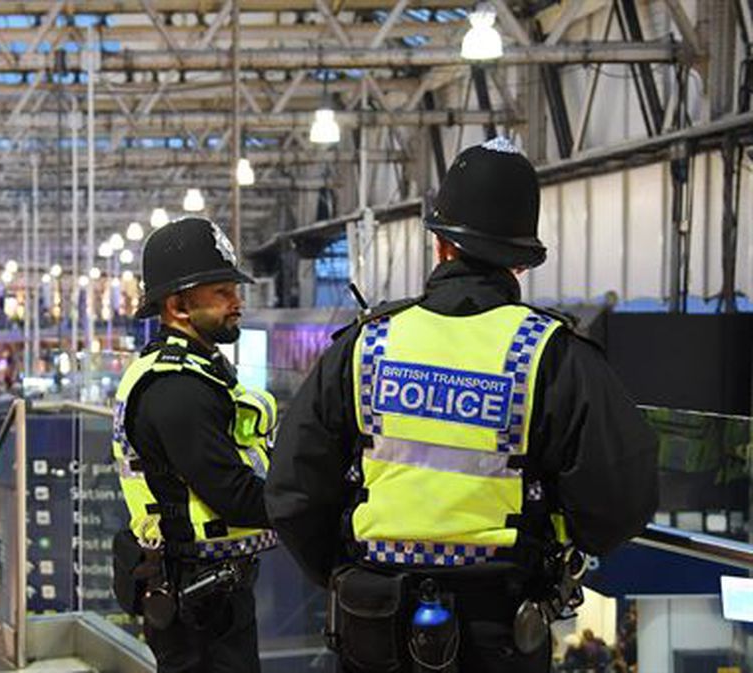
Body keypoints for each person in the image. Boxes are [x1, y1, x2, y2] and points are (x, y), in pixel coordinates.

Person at [265, 138, 660, 673]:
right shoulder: (552, 356)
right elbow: (622, 499)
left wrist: (346, 572)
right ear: (520, 263)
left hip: (373, 622)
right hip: (502, 626)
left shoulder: (365, 347)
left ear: (439, 245)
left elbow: (292, 492)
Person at [110, 217, 278, 673]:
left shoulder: (197, 370)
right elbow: (237, 497)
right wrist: (315, 497)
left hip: (211, 589)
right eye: (222, 293)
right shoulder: (177, 389)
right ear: (179, 305)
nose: (236, 303)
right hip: (198, 600)